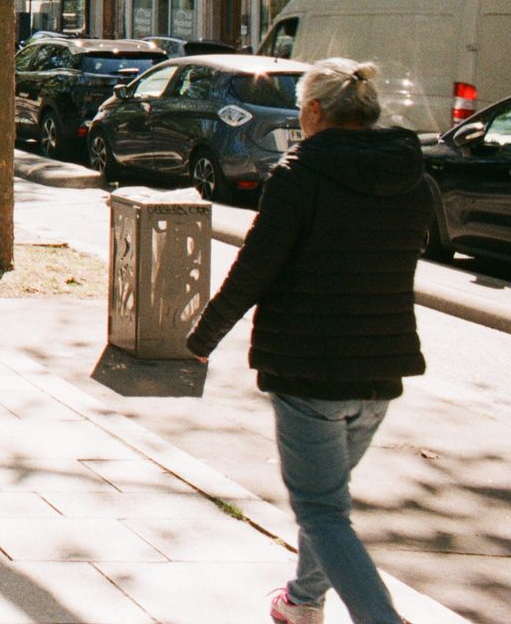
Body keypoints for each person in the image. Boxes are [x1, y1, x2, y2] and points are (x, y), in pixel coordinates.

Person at [187, 58, 428, 624]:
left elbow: (255, 268)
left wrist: (203, 335)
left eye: (300, 110)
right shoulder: (412, 177)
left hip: (308, 371)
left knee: (322, 511)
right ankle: (303, 602)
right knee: (329, 505)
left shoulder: (298, 178)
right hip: (379, 373)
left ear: (315, 112)